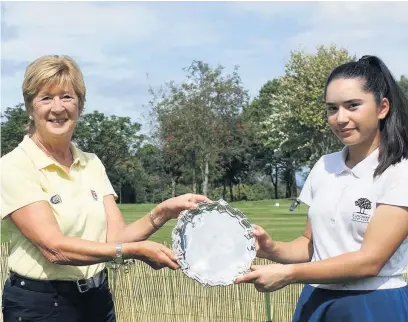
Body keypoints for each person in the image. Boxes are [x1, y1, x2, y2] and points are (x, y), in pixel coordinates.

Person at [0, 55, 209, 322]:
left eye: (67, 96)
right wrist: (135, 251)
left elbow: (116, 238)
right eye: (45, 98)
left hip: (97, 300)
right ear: (30, 107)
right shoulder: (14, 166)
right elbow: (55, 249)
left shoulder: (92, 163)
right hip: (42, 305)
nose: (57, 107)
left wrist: (163, 212)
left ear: (80, 105)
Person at [235, 55, 408, 321]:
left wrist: (288, 275)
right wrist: (271, 249)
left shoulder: (400, 172)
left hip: (373, 305)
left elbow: (369, 261)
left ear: (382, 108)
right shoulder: (324, 166)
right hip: (316, 300)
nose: (340, 118)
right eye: (332, 108)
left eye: (353, 106)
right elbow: (309, 245)